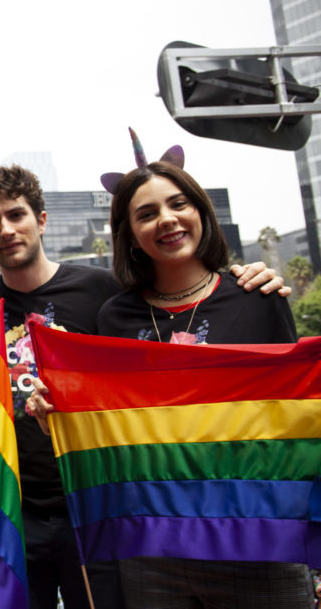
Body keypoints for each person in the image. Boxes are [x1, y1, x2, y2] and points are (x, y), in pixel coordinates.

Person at [0, 161, 289, 609]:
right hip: (19, 506)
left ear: (42, 219)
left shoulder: (107, 296)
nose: (6, 229)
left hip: (108, 505)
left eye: (16, 215)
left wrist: (247, 279)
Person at [93, 156, 313, 607]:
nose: (167, 220)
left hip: (256, 542)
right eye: (147, 214)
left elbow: (294, 419)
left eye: (178, 204)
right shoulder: (113, 318)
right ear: (130, 234)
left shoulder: (259, 298)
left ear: (200, 211)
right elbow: (110, 426)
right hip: (153, 550)